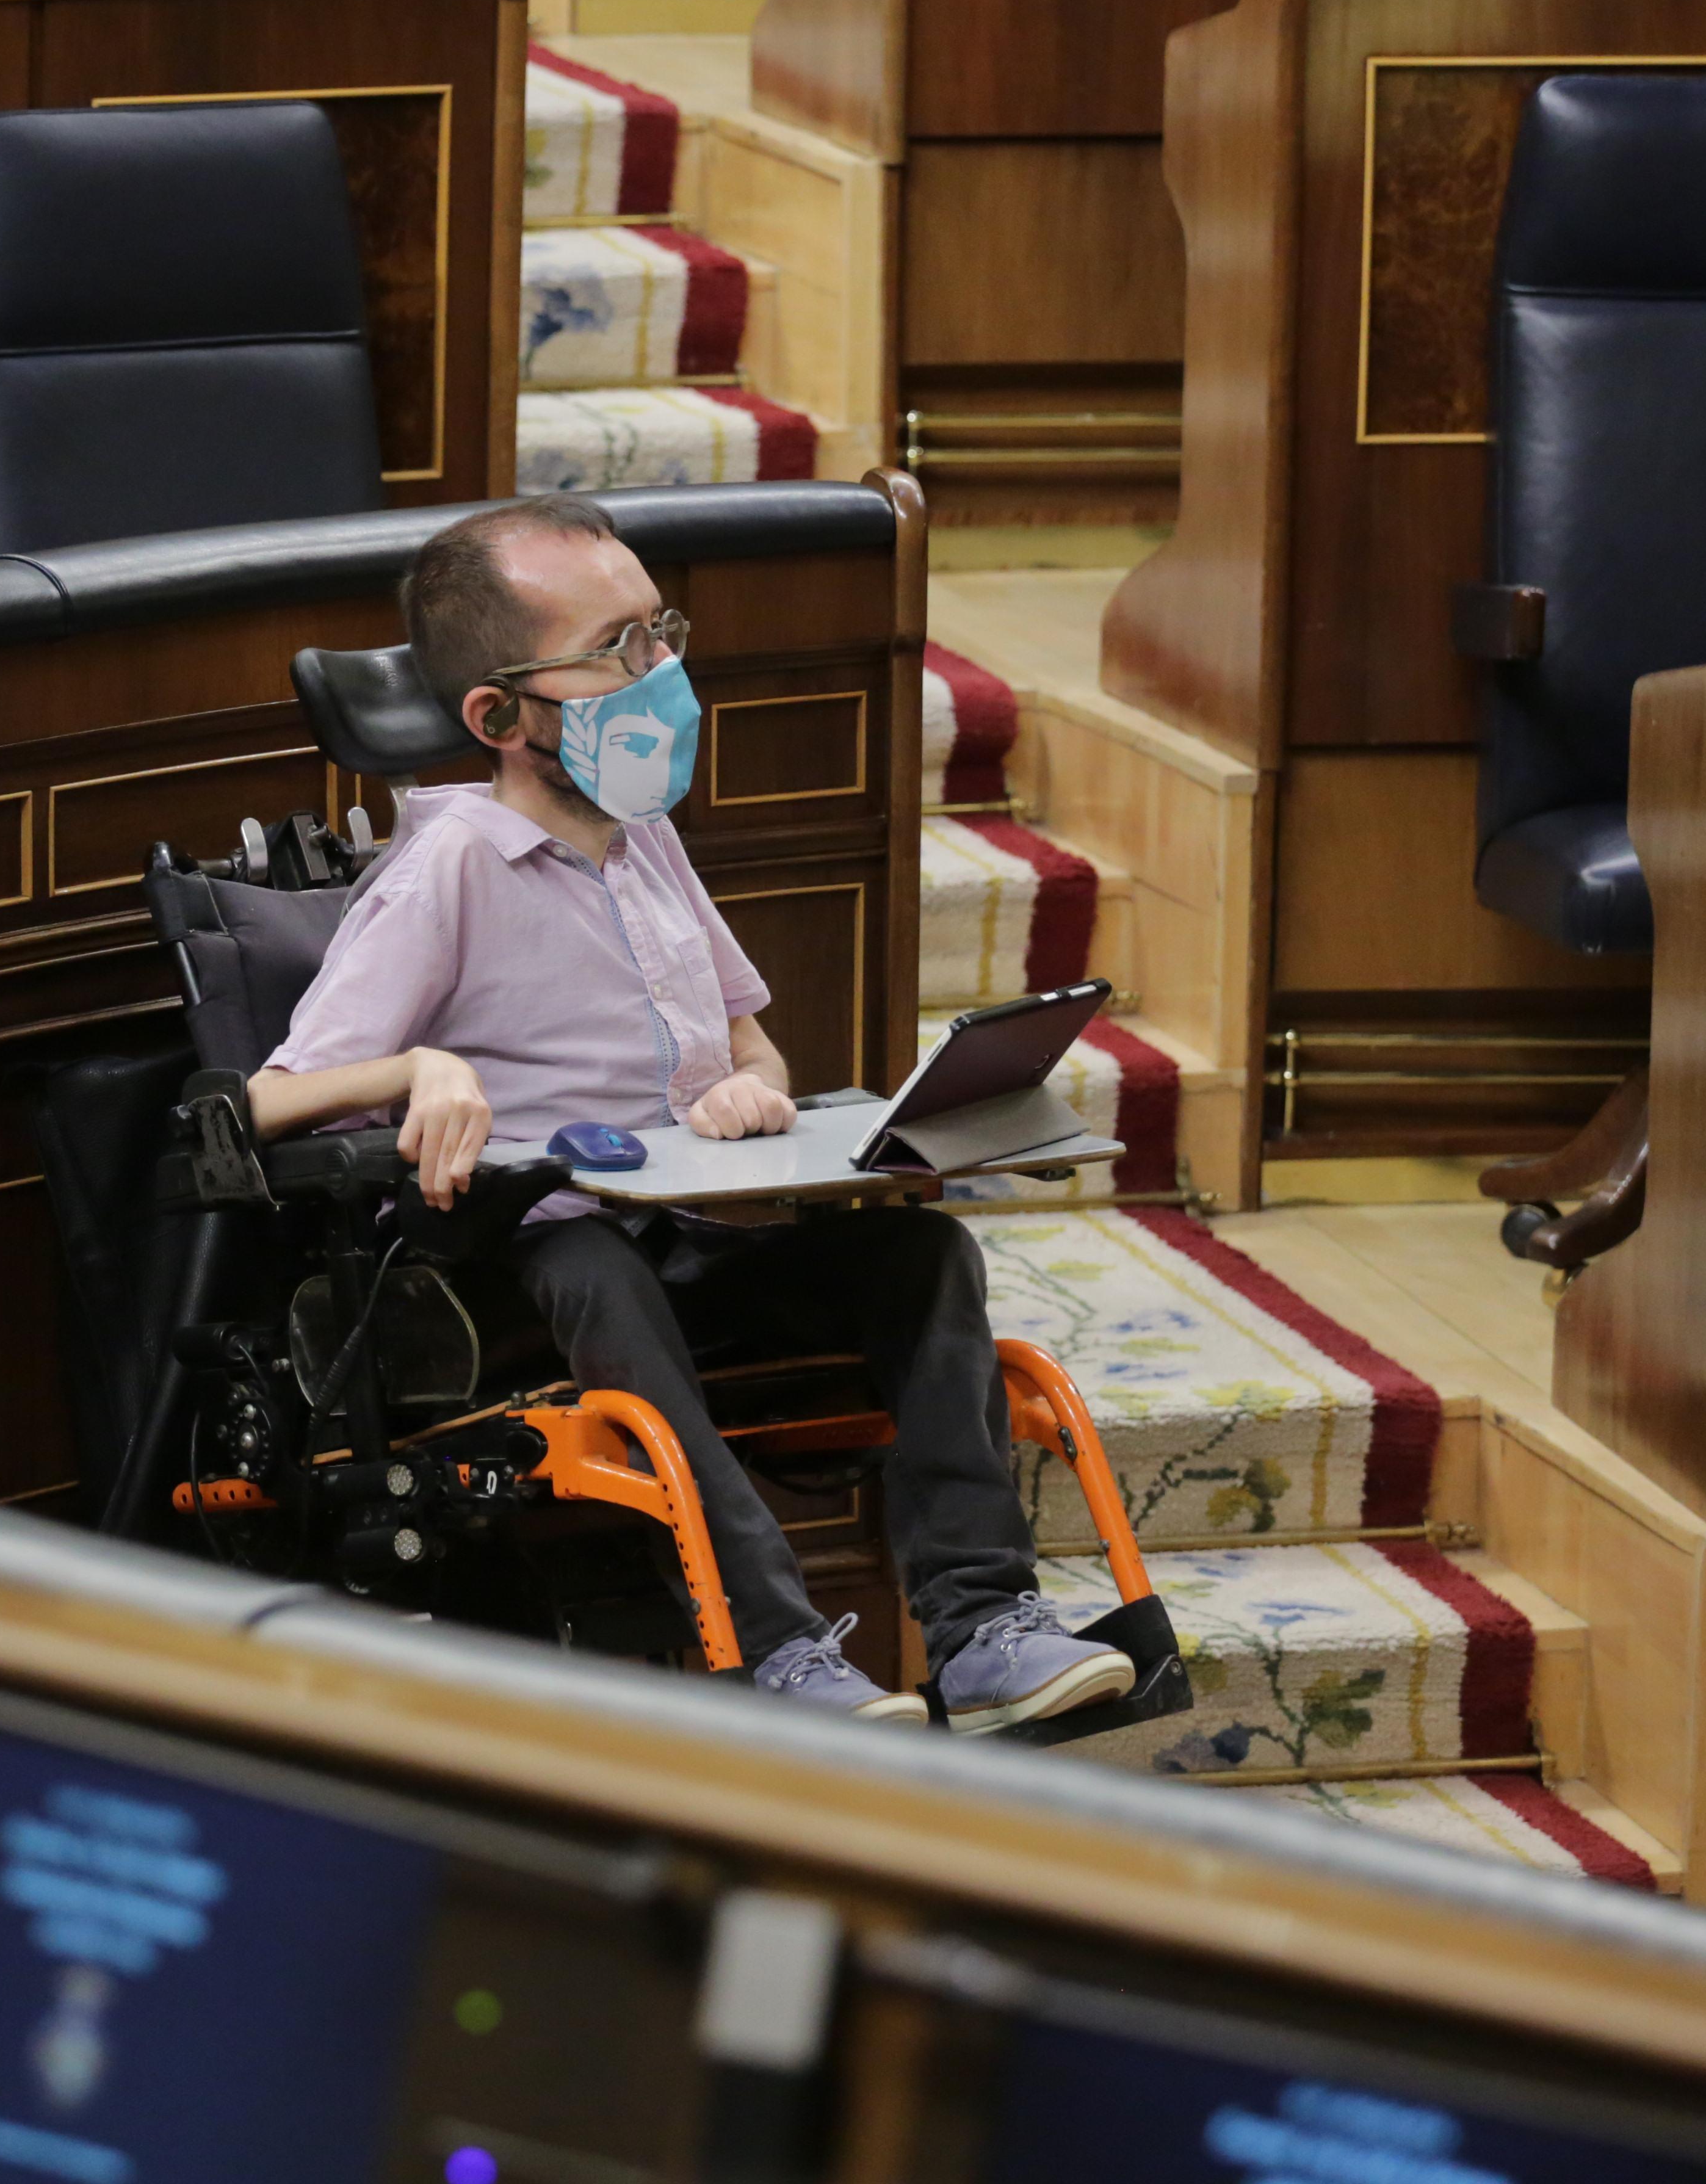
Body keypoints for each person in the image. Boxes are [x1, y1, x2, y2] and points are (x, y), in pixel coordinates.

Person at [247, 494, 1135, 1734]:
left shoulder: (646, 836)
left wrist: (750, 1084)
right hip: (533, 1264)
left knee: (919, 1253)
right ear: (501, 717)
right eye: (617, 651)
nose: (660, 673)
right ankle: (778, 1655)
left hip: (702, 1226)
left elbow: (744, 1033)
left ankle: (984, 1627)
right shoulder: (447, 871)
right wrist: (417, 1071)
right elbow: (268, 1097)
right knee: (592, 1262)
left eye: (660, 632)